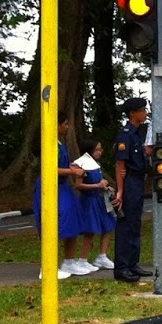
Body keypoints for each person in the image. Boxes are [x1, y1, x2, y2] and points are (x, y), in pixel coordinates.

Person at [34, 112, 87, 278]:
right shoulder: (48, 143)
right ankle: (48, 266)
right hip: (51, 187)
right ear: (56, 125)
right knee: (52, 223)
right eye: (65, 124)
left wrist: (70, 167)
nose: (67, 127)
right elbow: (49, 169)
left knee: (71, 220)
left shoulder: (59, 144)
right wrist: (72, 171)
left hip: (63, 187)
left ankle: (69, 262)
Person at [111, 97, 154, 283]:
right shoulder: (126, 135)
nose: (145, 113)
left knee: (135, 223)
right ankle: (121, 267)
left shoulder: (137, 134)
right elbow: (120, 165)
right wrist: (120, 191)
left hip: (138, 181)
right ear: (132, 113)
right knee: (126, 225)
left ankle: (132, 263)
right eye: (142, 110)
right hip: (129, 182)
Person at [72, 136, 116, 271]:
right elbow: (78, 185)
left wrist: (105, 187)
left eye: (100, 149)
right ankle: (83, 259)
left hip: (100, 198)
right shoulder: (82, 164)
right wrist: (97, 185)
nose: (100, 152)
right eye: (97, 149)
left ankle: (102, 256)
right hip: (89, 200)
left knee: (108, 226)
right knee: (90, 230)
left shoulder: (95, 164)